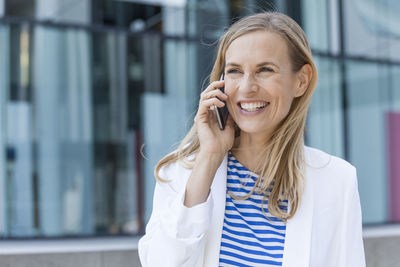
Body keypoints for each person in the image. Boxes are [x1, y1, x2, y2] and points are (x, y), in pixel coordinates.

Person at [138, 11, 366, 267]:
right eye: (235, 71)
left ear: (301, 81)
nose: (247, 87)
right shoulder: (183, 173)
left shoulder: (337, 180)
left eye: (265, 70)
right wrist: (209, 158)